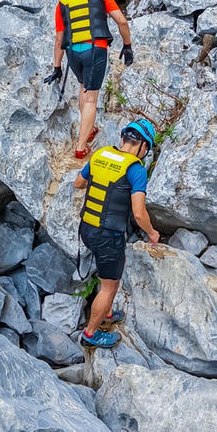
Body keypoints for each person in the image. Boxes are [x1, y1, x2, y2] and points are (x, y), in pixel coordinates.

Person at [74, 119, 161, 349]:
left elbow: (78, 183)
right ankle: (91, 334)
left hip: (86, 228)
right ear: (143, 146)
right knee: (109, 286)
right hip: (108, 236)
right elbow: (139, 213)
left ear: (123, 138)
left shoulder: (101, 154)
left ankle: (108, 312)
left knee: (106, 278)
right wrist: (152, 233)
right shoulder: (135, 169)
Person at [43, 0, 134, 159]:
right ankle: (81, 147)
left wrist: (57, 67)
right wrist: (127, 45)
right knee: (92, 97)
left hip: (72, 54)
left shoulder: (63, 1)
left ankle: (89, 128)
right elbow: (122, 20)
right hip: (95, 50)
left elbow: (59, 39)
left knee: (84, 86)